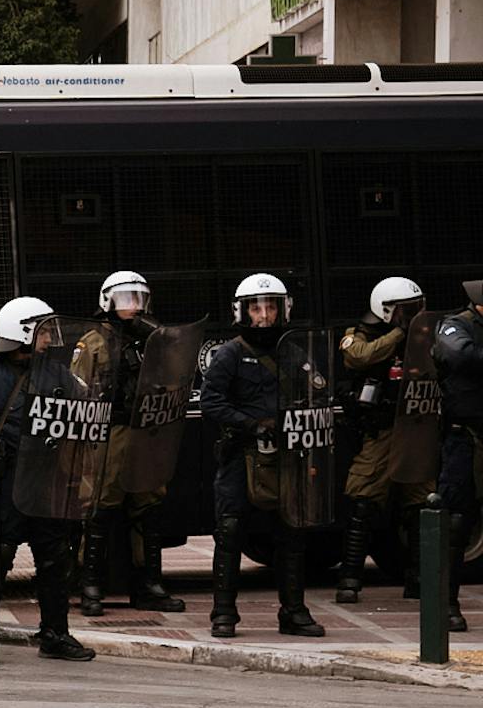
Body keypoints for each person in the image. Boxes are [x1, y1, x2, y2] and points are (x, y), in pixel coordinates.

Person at [0, 297, 97, 666]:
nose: (48, 338)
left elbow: (83, 413)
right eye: (42, 331)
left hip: (48, 478)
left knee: (54, 559)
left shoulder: (57, 373)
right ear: (21, 332)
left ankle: (55, 634)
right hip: (5, 479)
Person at [198, 272, 326, 641]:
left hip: (286, 456)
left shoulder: (293, 350)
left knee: (291, 532)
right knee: (231, 531)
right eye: (257, 307)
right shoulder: (230, 353)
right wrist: (251, 425)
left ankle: (294, 612)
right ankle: (223, 613)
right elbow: (211, 402)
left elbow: (314, 392)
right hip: (241, 455)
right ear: (243, 312)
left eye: (271, 306)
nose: (264, 315)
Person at [71, 270, 182, 616]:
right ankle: (90, 583)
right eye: (125, 300)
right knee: (101, 505)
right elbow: (78, 388)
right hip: (111, 430)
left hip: (146, 428)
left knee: (148, 504)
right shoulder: (93, 342)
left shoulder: (155, 338)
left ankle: (149, 583)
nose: (133, 307)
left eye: (138, 300)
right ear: (108, 302)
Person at [334, 277, 426, 605]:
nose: (412, 316)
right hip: (382, 431)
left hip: (415, 429)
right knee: (363, 498)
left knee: (419, 504)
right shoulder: (362, 335)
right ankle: (350, 578)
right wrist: (400, 333)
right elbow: (358, 357)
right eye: (405, 311)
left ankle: (418, 579)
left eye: (416, 310)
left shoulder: (424, 336)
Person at [431, 278, 482, 633]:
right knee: (456, 522)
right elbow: (458, 354)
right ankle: (446, 603)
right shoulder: (455, 324)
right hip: (466, 437)